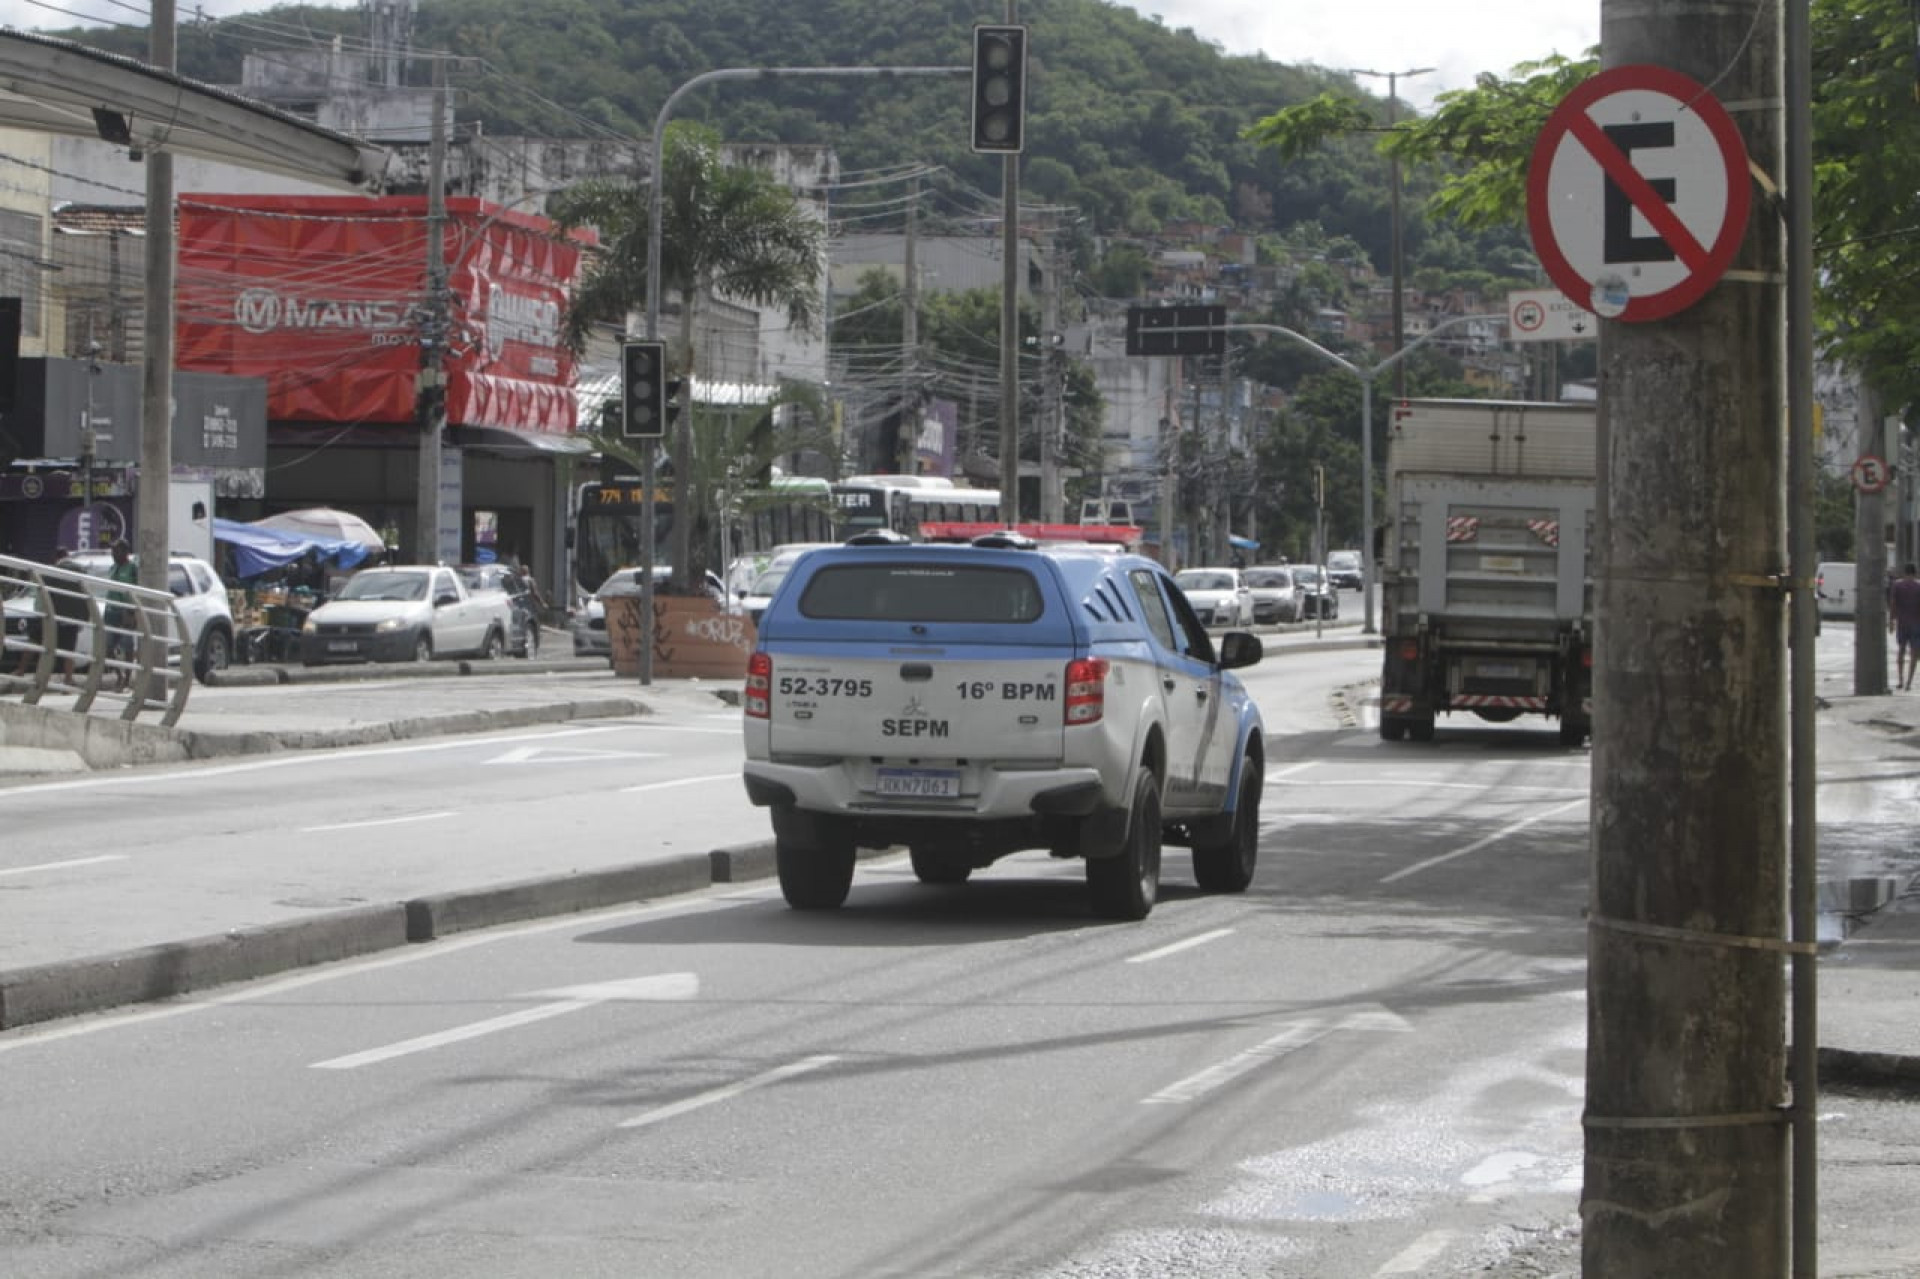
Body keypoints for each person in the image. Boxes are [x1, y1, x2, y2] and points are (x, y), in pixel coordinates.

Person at [105, 539, 138, 691]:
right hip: (111, 611)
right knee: (108, 646)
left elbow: (136, 590)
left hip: (126, 612)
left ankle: (128, 678)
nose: (113, 554)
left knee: (127, 645)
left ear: (125, 552)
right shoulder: (113, 568)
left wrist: (132, 611)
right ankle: (119, 675)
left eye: (116, 551)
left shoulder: (132, 568)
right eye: (112, 551)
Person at [1890, 562, 1920, 692]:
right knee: (1914, 653)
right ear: (1915, 573)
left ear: (1905, 572)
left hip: (1902, 623)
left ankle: (1900, 679)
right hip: (1916, 623)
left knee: (1901, 650)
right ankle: (1909, 682)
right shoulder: (1919, 586)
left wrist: (1891, 621)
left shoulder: (1897, 585)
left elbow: (1893, 603)